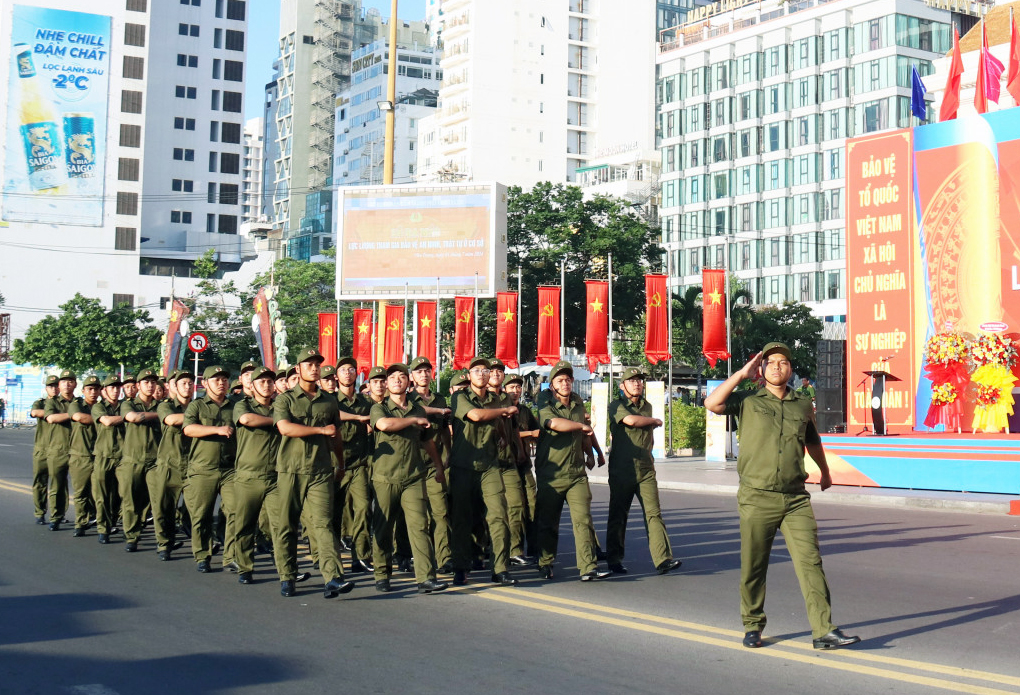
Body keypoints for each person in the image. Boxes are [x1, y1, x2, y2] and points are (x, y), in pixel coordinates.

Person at [704, 342, 860, 651]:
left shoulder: (802, 404)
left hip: (795, 498)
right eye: (771, 362)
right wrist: (741, 374)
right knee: (754, 565)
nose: (778, 366)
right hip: (757, 496)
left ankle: (824, 630)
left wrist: (825, 472)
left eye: (784, 362)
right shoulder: (747, 400)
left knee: (810, 563)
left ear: (791, 369)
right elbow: (712, 403)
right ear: (761, 370)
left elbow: (812, 440)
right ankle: (752, 624)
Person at [273, 348, 354, 599]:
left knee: (324, 524)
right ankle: (287, 576)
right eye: (308, 364)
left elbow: (336, 435)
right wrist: (320, 431)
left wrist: (339, 463)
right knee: (287, 525)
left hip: (320, 470)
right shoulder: (285, 400)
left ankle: (333, 578)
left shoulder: (329, 400)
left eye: (317, 364)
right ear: (297, 369)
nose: (314, 368)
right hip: (290, 470)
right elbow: (285, 428)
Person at [369, 363, 448, 594]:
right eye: (391, 377)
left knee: (419, 526)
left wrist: (438, 466)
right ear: (386, 383)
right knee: (384, 528)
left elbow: (427, 440)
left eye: (401, 377)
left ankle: (426, 577)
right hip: (385, 478)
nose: (396, 380)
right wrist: (413, 421)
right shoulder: (380, 408)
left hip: (414, 476)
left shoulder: (418, 409)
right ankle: (382, 574)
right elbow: (385, 425)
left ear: (408, 382)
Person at [533, 360, 610, 582]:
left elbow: (585, 433)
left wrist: (592, 452)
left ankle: (588, 567)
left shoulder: (577, 402)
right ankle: (545, 563)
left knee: (583, 519)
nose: (565, 383)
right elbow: (554, 424)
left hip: (576, 472)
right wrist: (581, 426)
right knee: (549, 522)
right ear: (552, 384)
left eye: (568, 379)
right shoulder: (544, 401)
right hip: (552, 472)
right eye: (560, 380)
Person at [448, 357, 517, 587]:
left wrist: (503, 437)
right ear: (469, 375)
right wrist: (503, 411)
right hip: (463, 466)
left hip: (489, 465)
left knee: (498, 516)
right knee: (462, 519)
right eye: (476, 370)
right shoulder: (460, 397)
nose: (481, 374)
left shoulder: (495, 399)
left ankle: (500, 568)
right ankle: (460, 567)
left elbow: (498, 424)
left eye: (485, 371)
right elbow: (476, 416)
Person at [605, 367, 681, 576]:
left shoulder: (646, 406)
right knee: (619, 516)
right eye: (632, 380)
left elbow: (648, 435)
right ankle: (614, 559)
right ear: (622, 386)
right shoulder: (616, 405)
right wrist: (655, 421)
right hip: (623, 468)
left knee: (654, 513)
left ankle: (663, 559)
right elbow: (631, 421)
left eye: (639, 380)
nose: (637, 383)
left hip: (646, 468)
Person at [183, 365, 237, 573]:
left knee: (234, 510)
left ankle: (230, 555)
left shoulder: (236, 405)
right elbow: (188, 429)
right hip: (203, 469)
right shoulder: (197, 406)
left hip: (229, 469)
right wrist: (217, 429)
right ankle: (202, 554)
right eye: (216, 379)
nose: (221, 383)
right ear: (205, 383)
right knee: (201, 515)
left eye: (224, 379)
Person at [232, 365, 283, 585]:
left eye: (270, 381)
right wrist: (281, 423)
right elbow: (247, 420)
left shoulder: (280, 406)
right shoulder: (242, 405)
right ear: (251, 386)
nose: (267, 385)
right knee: (245, 524)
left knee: (281, 526)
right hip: (248, 475)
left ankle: (286, 571)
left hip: (276, 476)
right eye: (261, 381)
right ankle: (244, 566)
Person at [408, 355, 453, 573]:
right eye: (419, 371)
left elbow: (444, 429)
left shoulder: (440, 399)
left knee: (440, 512)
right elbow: (419, 412)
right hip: (412, 463)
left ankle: (444, 558)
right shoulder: (406, 399)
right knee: (418, 517)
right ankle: (411, 555)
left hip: (435, 463)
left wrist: (447, 455)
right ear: (412, 376)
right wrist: (440, 411)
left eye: (427, 371)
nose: (424, 374)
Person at [487, 359, 530, 566]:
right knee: (488, 510)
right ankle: (485, 548)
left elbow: (513, 429)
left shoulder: (506, 399)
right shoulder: (478, 397)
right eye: (492, 370)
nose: (496, 373)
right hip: (485, 463)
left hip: (507, 460)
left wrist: (521, 452)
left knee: (516, 505)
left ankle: (514, 549)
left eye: (499, 371)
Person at [335, 356, 374, 573]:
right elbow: (333, 414)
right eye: (343, 370)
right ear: (336, 376)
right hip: (335, 464)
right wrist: (358, 419)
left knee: (363, 508)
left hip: (359, 463)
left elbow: (376, 416)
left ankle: (360, 556)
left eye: (352, 369)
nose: (348, 373)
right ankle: (331, 559)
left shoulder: (365, 402)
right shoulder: (329, 399)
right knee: (333, 513)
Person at [119, 368, 162, 552]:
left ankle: (163, 542)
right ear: (138, 386)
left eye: (153, 382)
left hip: (155, 460)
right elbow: (134, 418)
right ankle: (132, 536)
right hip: (133, 460)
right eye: (146, 382)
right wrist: (162, 416)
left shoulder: (162, 405)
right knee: (131, 500)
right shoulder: (129, 404)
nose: (150, 385)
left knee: (157, 500)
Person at [152, 371, 192, 561]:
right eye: (183, 383)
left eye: (190, 383)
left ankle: (200, 543)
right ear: (173, 387)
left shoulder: (197, 406)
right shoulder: (165, 406)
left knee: (197, 506)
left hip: (193, 464)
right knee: (164, 507)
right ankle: (164, 544)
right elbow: (172, 420)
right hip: (170, 463)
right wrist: (200, 419)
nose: (187, 386)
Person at [505, 374, 539, 557]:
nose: (516, 391)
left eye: (518, 387)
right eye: (511, 387)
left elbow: (537, 431)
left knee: (532, 504)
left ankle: (534, 548)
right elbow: (510, 433)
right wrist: (530, 433)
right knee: (515, 506)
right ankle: (514, 549)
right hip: (506, 464)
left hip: (524, 462)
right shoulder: (501, 409)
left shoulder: (525, 411)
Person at [43, 370, 79, 531]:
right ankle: (56, 516)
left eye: (70, 381)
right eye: (64, 381)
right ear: (59, 385)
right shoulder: (52, 402)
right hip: (58, 450)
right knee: (57, 486)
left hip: (78, 450)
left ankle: (84, 518)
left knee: (81, 487)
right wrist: (73, 415)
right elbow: (51, 418)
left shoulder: (80, 402)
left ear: (75, 384)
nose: (67, 384)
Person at [67, 375, 101, 537]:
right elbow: (79, 417)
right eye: (90, 389)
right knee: (81, 493)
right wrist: (103, 420)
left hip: (100, 455)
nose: (93, 392)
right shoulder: (77, 405)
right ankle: (80, 522)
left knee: (100, 493)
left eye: (96, 389)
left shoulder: (103, 407)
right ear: (83, 391)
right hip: (80, 456)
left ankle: (101, 523)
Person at [92, 375, 124, 544]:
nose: (115, 390)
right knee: (102, 495)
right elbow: (106, 421)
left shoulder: (125, 405)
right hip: (103, 455)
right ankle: (103, 528)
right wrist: (127, 417)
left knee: (123, 493)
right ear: (104, 391)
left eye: (118, 387)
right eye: (112, 387)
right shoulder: (98, 407)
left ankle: (119, 522)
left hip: (123, 455)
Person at [30, 377, 58, 524]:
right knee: (40, 481)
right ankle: (40, 512)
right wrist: (51, 414)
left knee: (58, 483)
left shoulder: (62, 404)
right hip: (42, 448)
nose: (53, 389)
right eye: (50, 386)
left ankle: (57, 514)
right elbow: (34, 412)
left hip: (58, 448)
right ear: (46, 388)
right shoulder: (40, 402)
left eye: (55, 386)